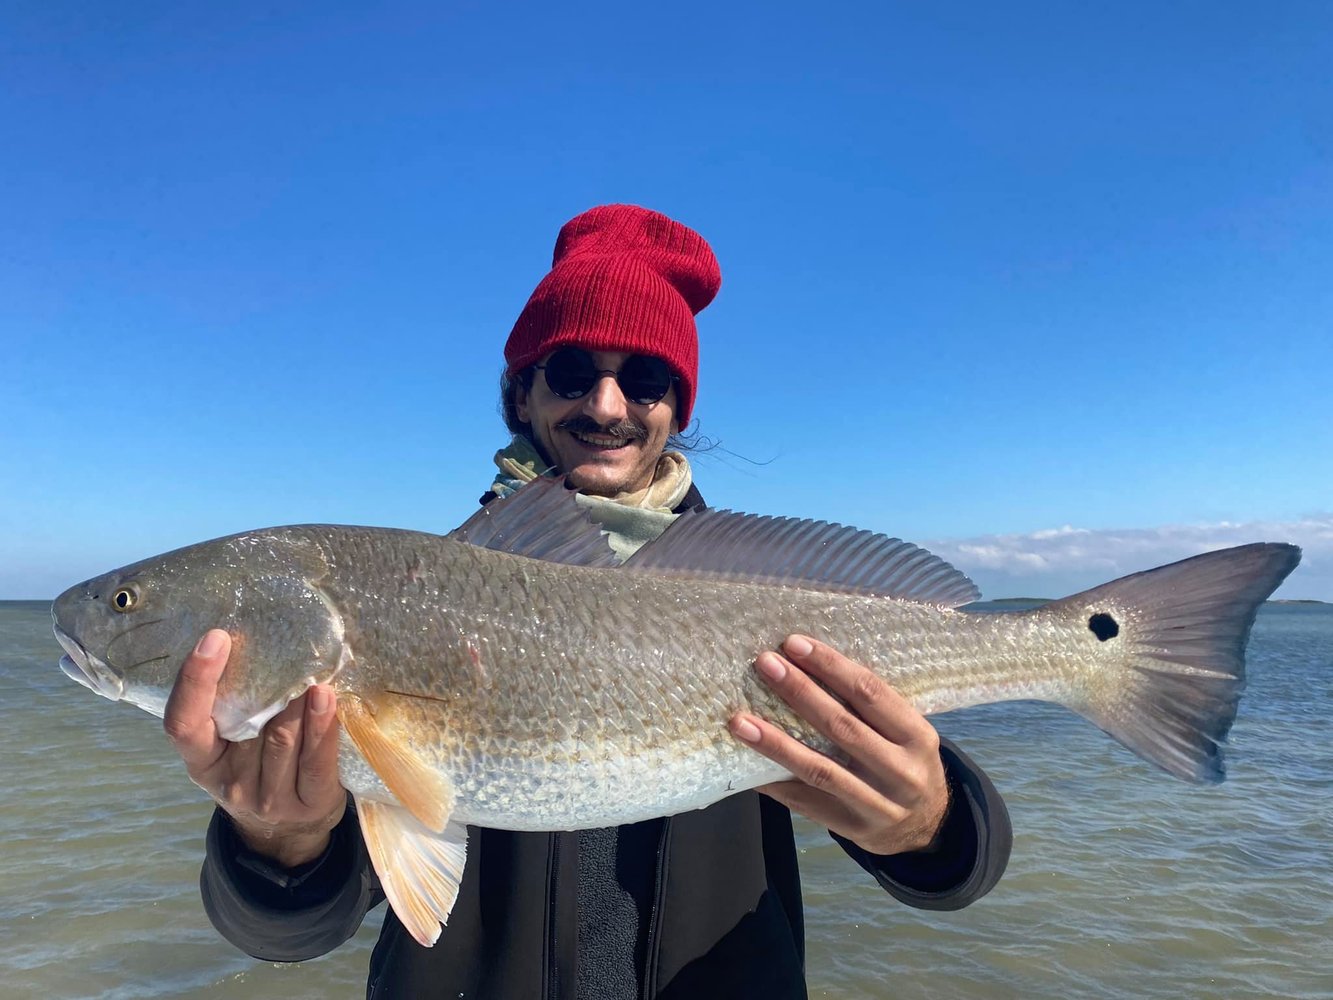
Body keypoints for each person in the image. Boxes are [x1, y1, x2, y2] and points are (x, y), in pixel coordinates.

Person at [164, 204, 1012, 999]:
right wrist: (278, 840)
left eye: (643, 379)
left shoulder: (770, 597)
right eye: (571, 372)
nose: (605, 406)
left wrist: (927, 824)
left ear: (676, 408)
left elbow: (956, 873)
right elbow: (296, 931)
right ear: (521, 395)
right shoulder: (408, 600)